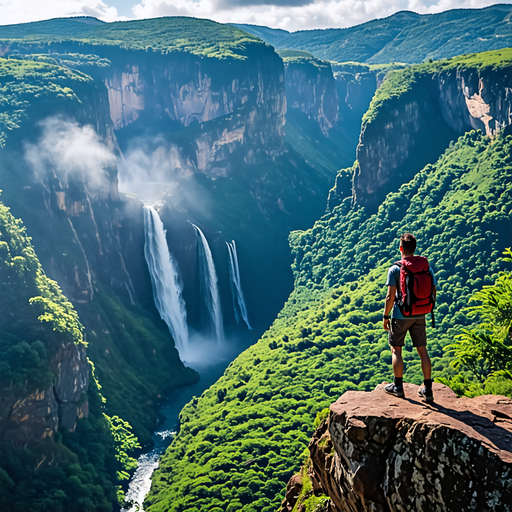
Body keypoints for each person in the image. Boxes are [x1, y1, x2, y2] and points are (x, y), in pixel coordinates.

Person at [383, 233, 437, 402]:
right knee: (422, 350)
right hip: (420, 314)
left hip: (400, 315)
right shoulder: (426, 267)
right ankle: (428, 389)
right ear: (414, 248)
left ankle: (398, 386)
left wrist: (386, 316)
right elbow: (433, 290)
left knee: (396, 348)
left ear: (401, 248)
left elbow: (390, 296)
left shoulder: (395, 269)